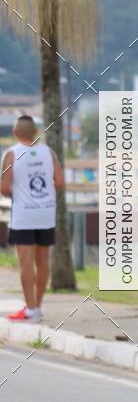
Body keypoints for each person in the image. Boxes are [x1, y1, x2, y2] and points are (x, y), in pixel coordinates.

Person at [0, 115, 65, 322]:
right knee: (42, 260)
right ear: (36, 132)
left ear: (15, 133)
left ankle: (30, 309)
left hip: (24, 215)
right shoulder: (49, 153)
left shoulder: (11, 154)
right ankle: (38, 306)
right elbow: (61, 183)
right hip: (46, 213)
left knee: (25, 261)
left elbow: (3, 187)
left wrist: (17, 194)